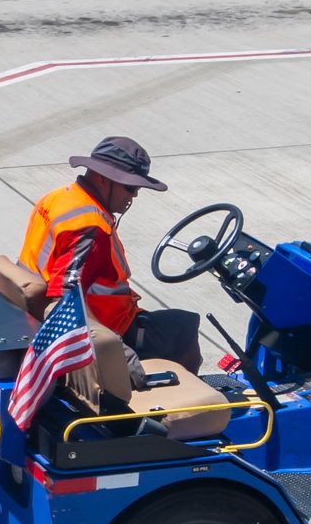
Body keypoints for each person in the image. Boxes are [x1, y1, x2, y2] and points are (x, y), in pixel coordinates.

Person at [19, 135, 203, 367]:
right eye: (130, 187)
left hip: (47, 314)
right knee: (184, 327)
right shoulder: (90, 227)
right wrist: (120, 353)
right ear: (101, 178)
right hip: (112, 329)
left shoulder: (58, 197)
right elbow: (66, 296)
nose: (134, 195)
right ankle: (192, 400)